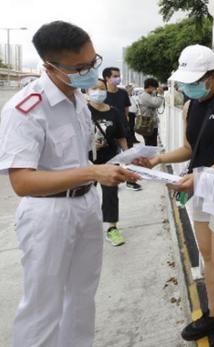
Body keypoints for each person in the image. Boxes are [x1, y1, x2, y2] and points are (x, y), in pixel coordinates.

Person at [0, 21, 139, 347]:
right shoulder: (25, 109)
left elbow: (80, 159)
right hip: (48, 215)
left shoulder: (78, 98)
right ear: (49, 66)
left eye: (94, 62)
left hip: (85, 205)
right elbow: (22, 182)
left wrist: (121, 165)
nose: (91, 72)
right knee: (43, 307)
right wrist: (92, 174)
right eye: (80, 67)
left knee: (82, 297)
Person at [135, 45, 214, 347]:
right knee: (208, 256)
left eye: (196, 80)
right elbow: (189, 148)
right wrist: (158, 160)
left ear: (213, 76)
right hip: (198, 187)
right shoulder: (189, 106)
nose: (190, 86)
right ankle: (212, 314)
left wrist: (200, 177)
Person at [88, 78, 129, 246]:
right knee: (85, 195)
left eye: (101, 88)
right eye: (94, 88)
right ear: (87, 91)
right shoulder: (81, 111)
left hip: (110, 160)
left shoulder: (114, 112)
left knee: (111, 194)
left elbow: (120, 135)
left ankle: (112, 228)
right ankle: (86, 228)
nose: (98, 91)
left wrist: (128, 155)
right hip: (87, 162)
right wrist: (89, 143)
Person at [103, 66, 142, 191]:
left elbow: (126, 112)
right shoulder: (102, 94)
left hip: (124, 129)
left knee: (128, 156)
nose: (118, 79)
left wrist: (125, 126)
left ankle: (130, 181)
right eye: (115, 76)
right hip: (109, 131)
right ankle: (113, 181)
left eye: (118, 76)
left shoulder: (123, 93)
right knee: (112, 158)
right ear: (107, 78)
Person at [138, 77, 164, 147]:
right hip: (147, 125)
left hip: (151, 124)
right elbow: (156, 103)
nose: (155, 90)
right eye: (154, 88)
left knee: (152, 144)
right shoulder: (144, 96)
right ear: (149, 87)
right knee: (150, 145)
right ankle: (150, 158)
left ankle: (151, 157)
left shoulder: (149, 95)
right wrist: (161, 94)